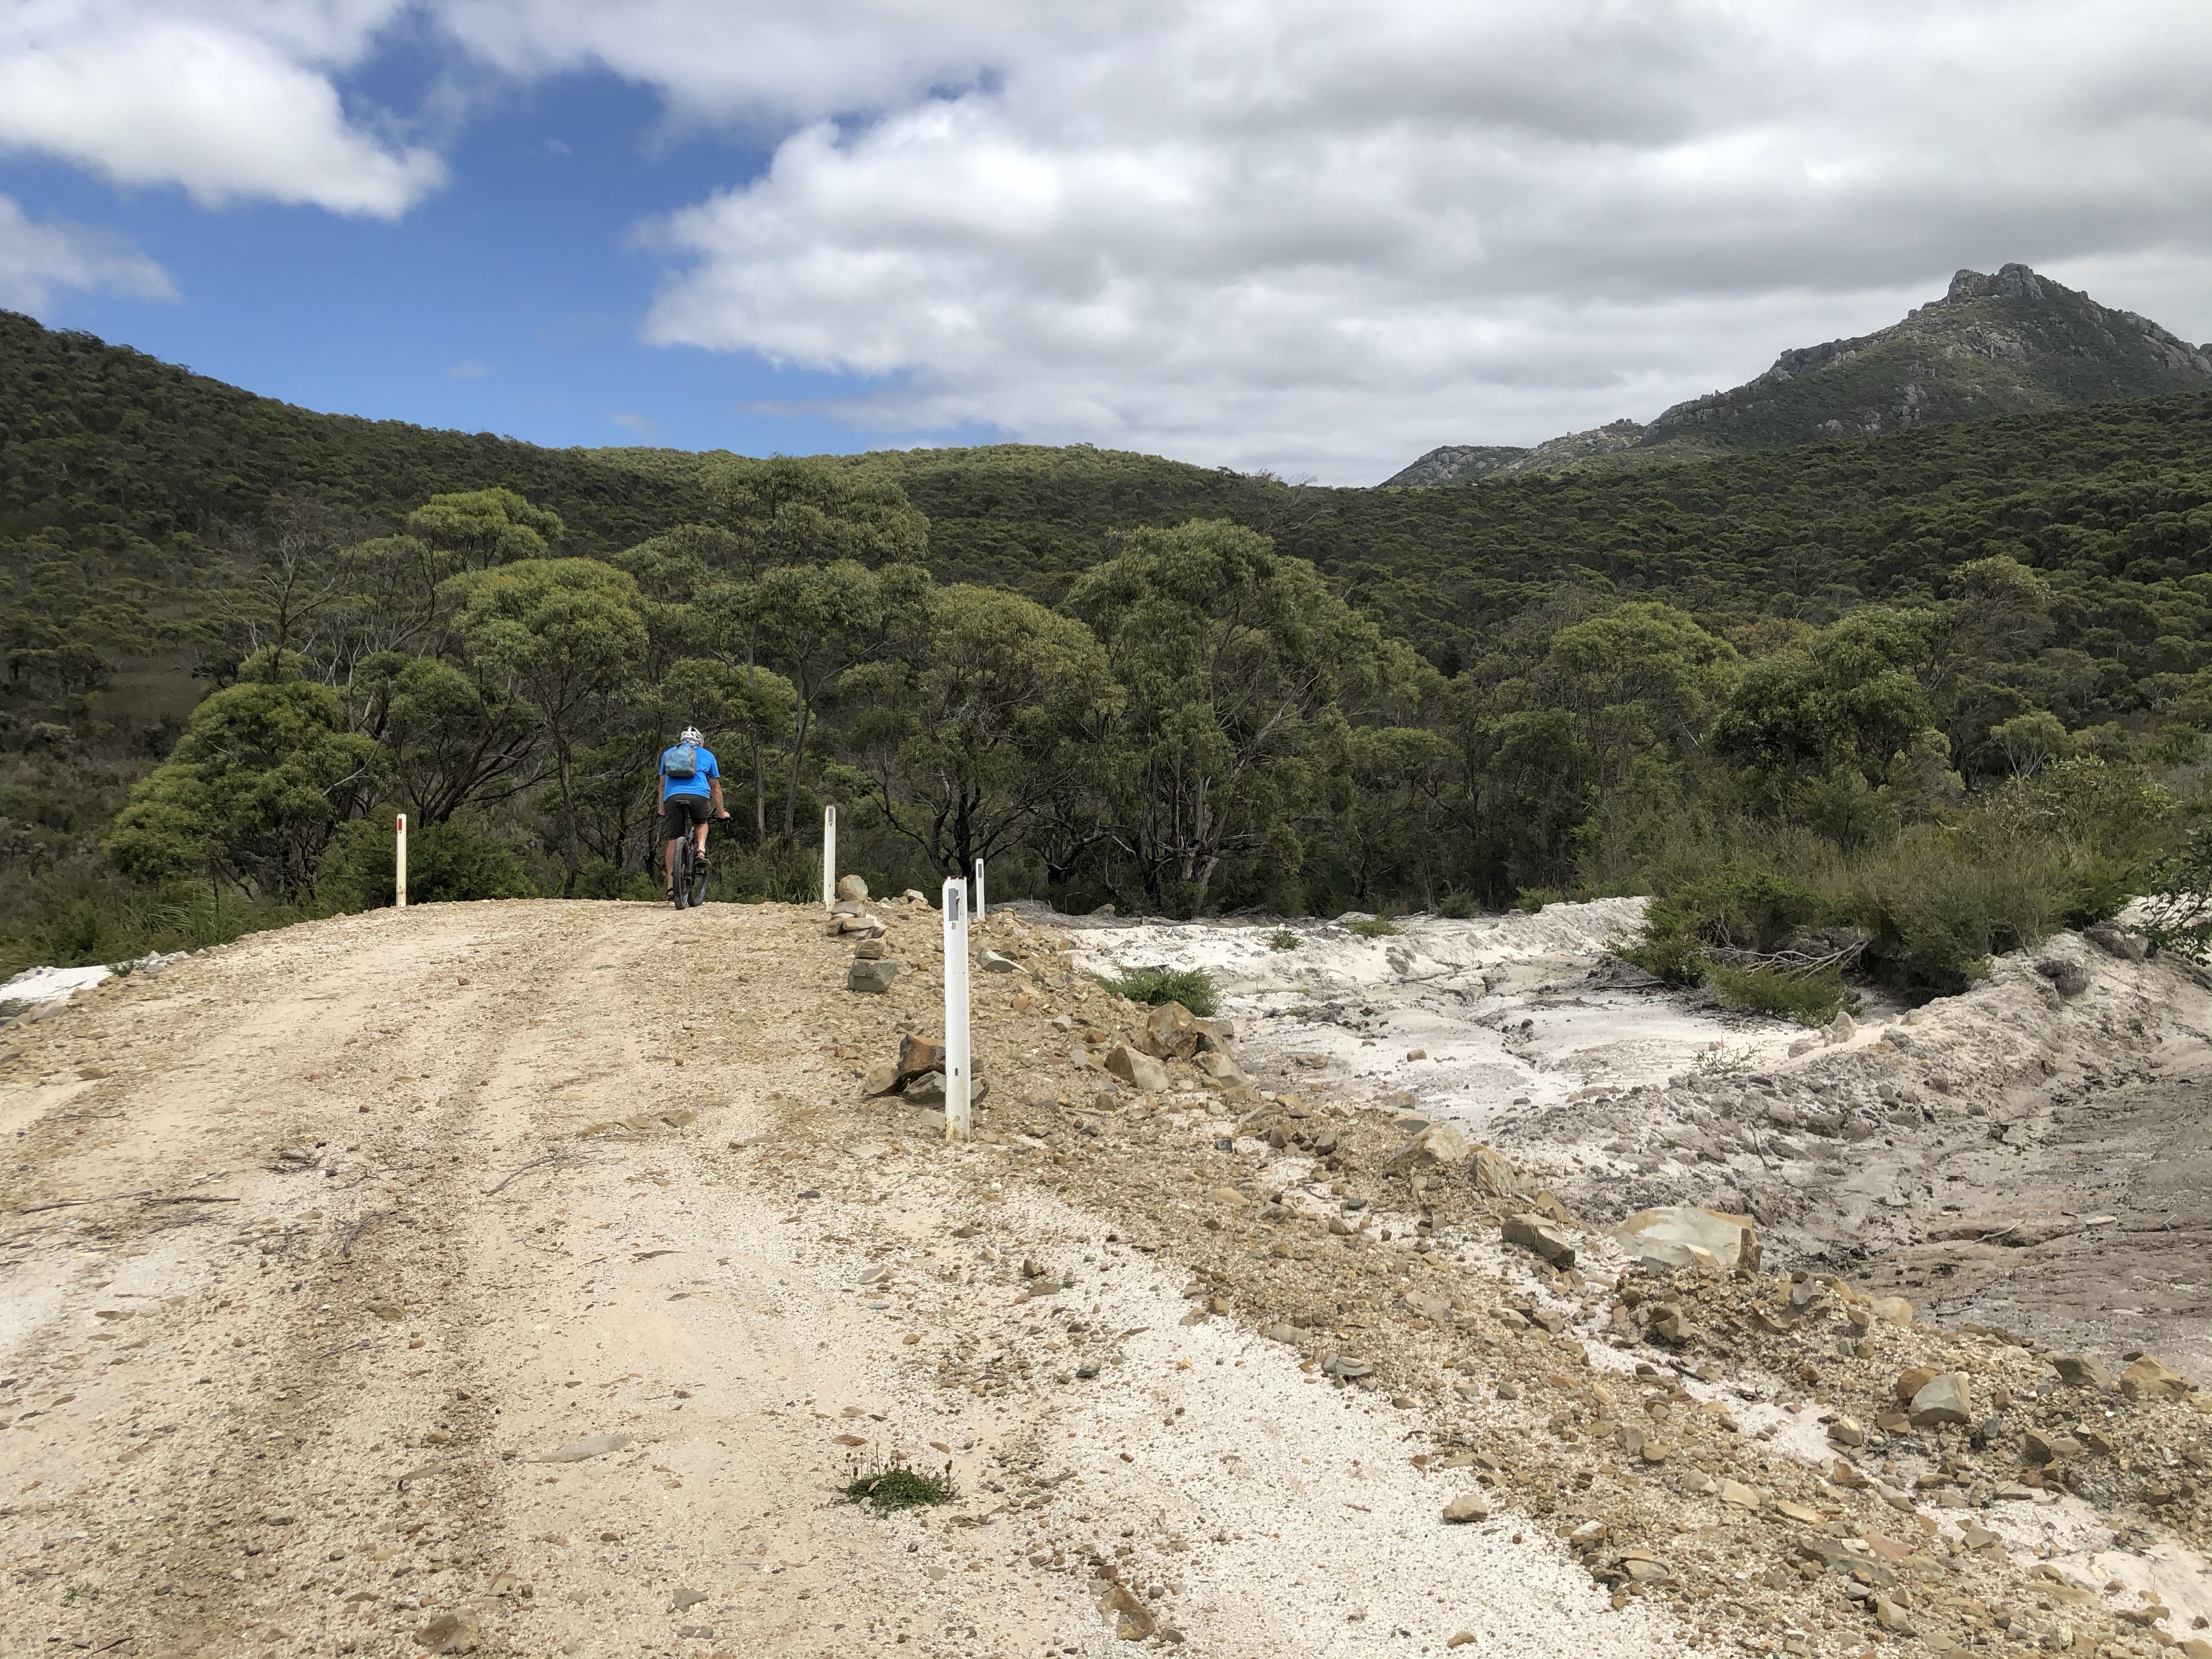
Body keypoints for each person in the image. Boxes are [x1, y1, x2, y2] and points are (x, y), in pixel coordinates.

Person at [659, 725, 730, 898]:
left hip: (673, 797)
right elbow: (715, 789)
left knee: (673, 840)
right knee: (701, 823)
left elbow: (661, 786)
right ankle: (701, 851)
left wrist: (661, 809)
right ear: (700, 742)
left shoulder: (668, 754)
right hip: (698, 796)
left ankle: (671, 886)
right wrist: (721, 812)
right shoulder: (708, 755)